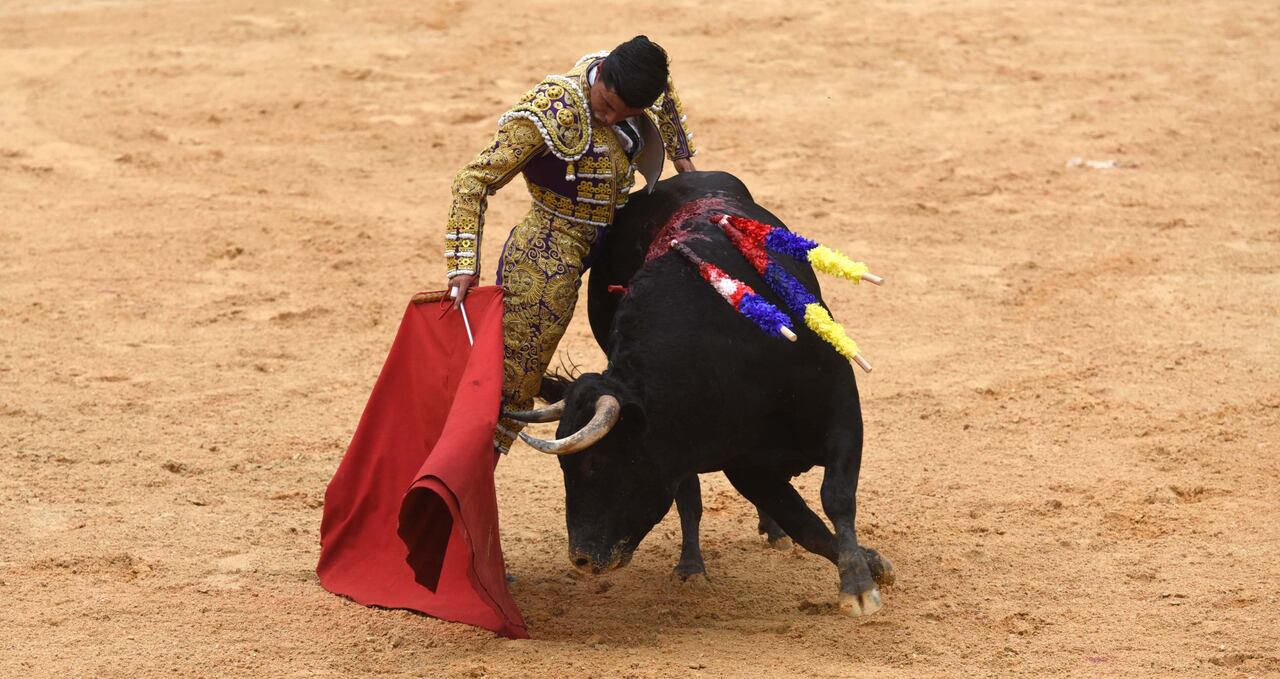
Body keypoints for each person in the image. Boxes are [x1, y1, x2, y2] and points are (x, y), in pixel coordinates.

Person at [441, 36, 698, 453]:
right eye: (606, 104)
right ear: (603, 76)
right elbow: (472, 181)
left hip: (621, 222)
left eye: (624, 114)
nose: (610, 118)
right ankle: (470, 474)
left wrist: (684, 161)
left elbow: (665, 99)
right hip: (550, 245)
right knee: (514, 383)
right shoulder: (551, 109)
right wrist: (462, 263)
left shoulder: (637, 82)